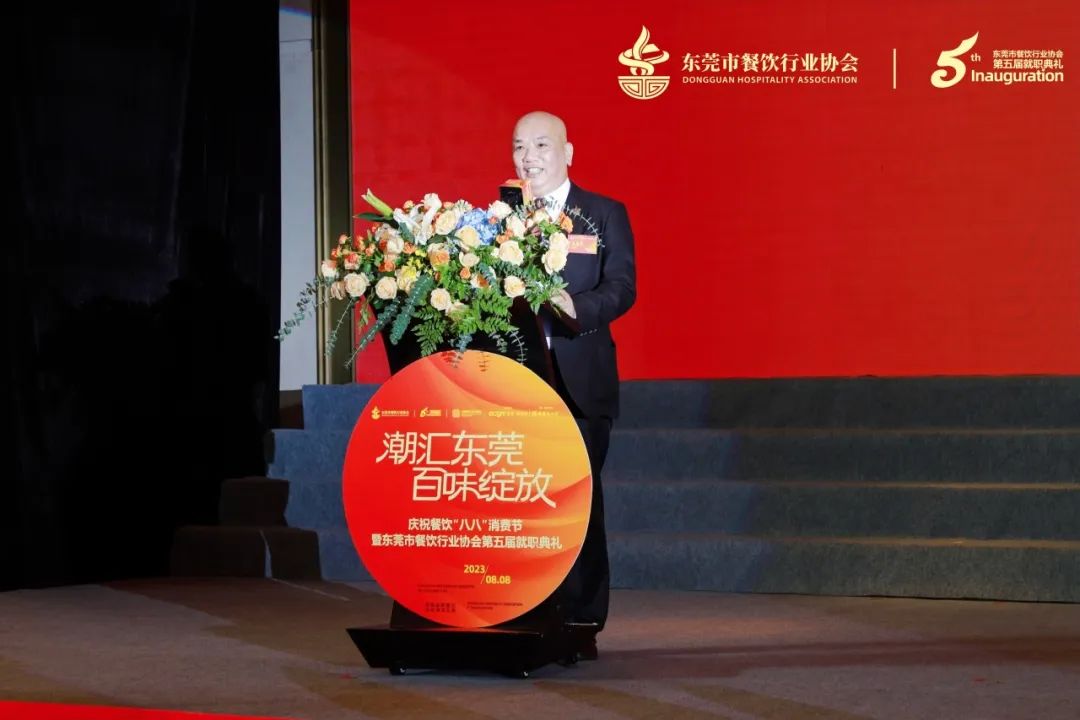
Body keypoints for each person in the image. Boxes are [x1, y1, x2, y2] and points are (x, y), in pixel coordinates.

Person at [511, 111, 637, 659]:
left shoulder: (603, 213)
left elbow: (623, 286)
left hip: (581, 379)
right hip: (518, 380)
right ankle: (528, 607)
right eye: (519, 147)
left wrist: (575, 306)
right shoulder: (502, 219)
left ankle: (582, 621)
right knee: (525, 502)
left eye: (541, 145)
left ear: (567, 153)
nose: (528, 157)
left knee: (577, 503)